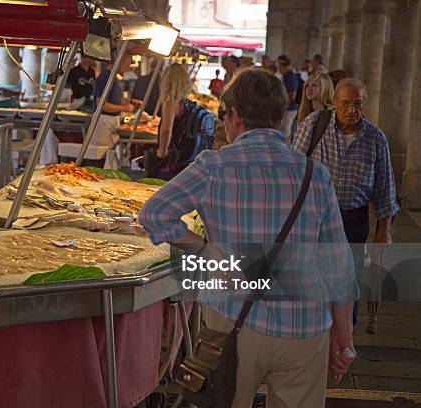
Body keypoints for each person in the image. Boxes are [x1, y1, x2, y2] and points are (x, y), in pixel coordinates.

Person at [138, 68, 358, 407]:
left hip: (231, 324)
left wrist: (207, 249)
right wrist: (343, 338)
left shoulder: (214, 166)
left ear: (236, 116)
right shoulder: (315, 174)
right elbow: (339, 264)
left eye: (225, 115)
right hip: (304, 324)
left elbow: (153, 214)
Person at [293, 78, 399, 333]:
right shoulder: (315, 124)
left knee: (346, 280)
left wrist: (384, 228)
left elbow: (385, 186)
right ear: (334, 102)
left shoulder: (375, 138)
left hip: (353, 220)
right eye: (346, 103)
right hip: (315, 218)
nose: (352, 110)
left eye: (358, 104)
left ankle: (342, 333)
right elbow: (294, 167)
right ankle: (313, 328)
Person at [91, 52, 134, 150]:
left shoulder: (115, 77)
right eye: (127, 65)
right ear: (119, 62)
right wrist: (125, 108)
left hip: (111, 122)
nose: (128, 68)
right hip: (103, 122)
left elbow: (114, 99)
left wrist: (130, 101)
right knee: (101, 156)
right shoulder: (105, 77)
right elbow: (101, 104)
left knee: (109, 157)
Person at [277, 54, 300, 141]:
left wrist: (285, 103)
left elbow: (292, 95)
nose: (277, 67)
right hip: (286, 108)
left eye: (278, 64)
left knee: (286, 131)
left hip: (290, 108)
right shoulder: (286, 75)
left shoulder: (291, 76)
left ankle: (287, 150)